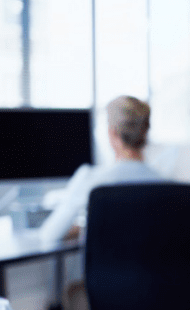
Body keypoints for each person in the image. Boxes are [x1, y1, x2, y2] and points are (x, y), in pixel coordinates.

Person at [39, 95, 165, 242]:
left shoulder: (90, 179)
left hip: (105, 264)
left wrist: (87, 229)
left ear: (112, 132)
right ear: (145, 132)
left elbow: (49, 235)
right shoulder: (167, 185)